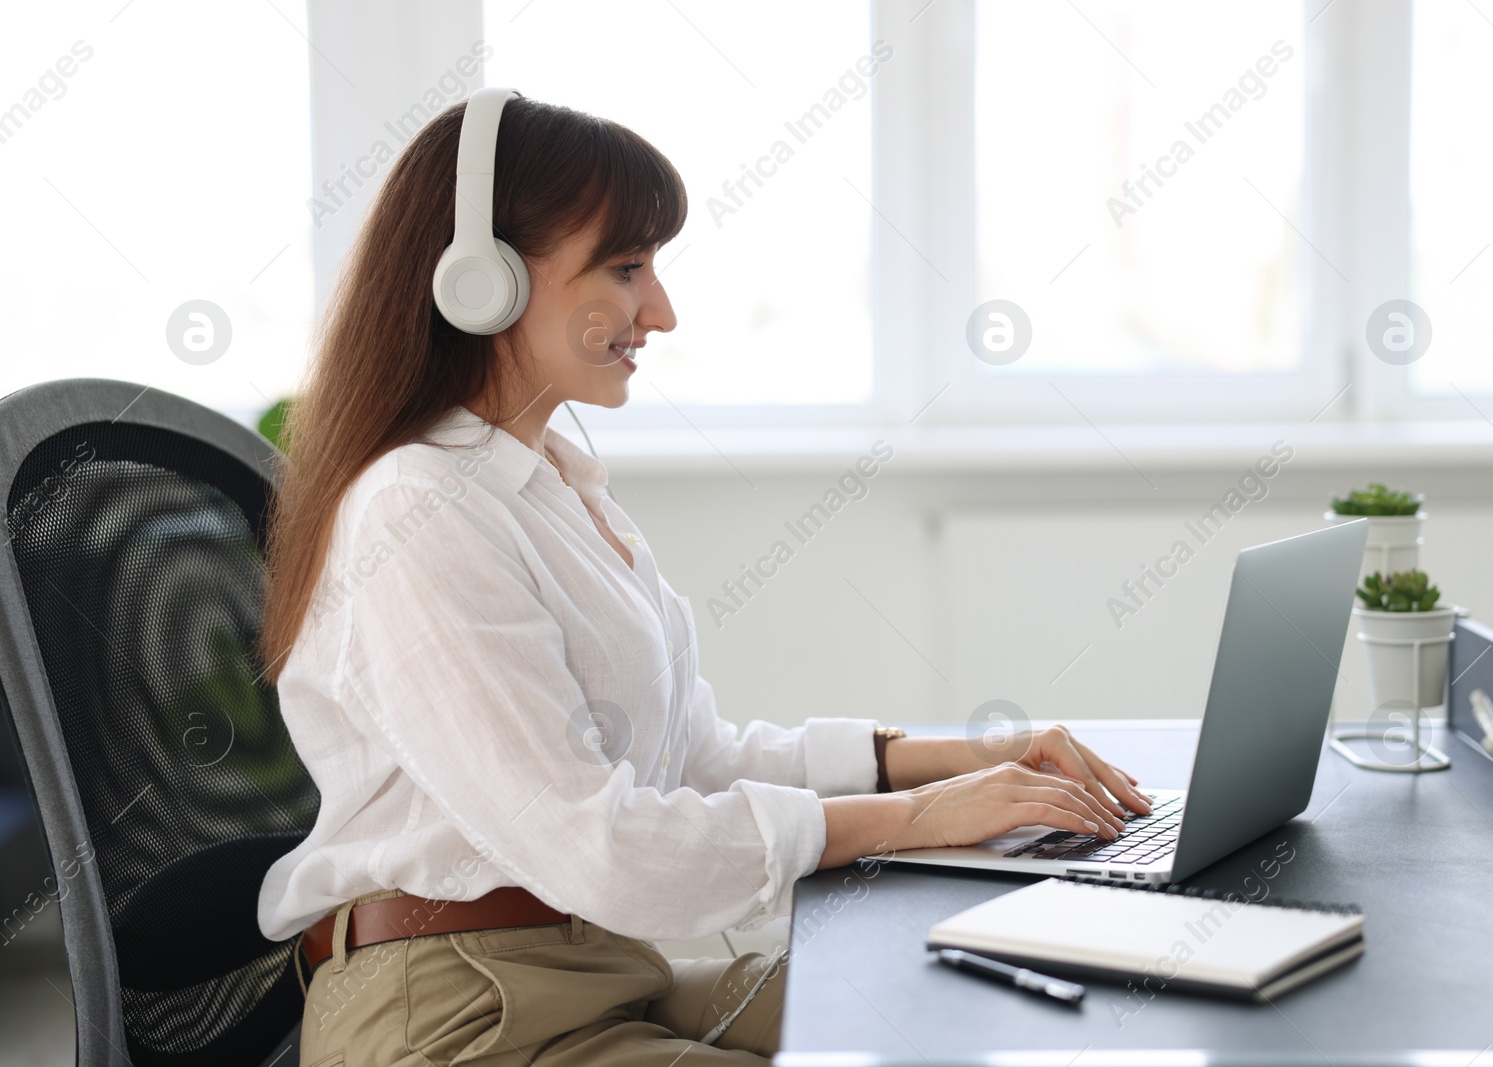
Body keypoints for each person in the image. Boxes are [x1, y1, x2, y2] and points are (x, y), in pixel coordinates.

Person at [257, 92, 1150, 1067]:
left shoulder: (549, 482)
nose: (661, 310)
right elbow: (592, 839)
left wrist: (953, 759)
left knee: (956, 998)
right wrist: (916, 820)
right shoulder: (419, 509)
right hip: (455, 1013)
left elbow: (689, 758)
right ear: (484, 278)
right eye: (626, 266)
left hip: (590, 967)